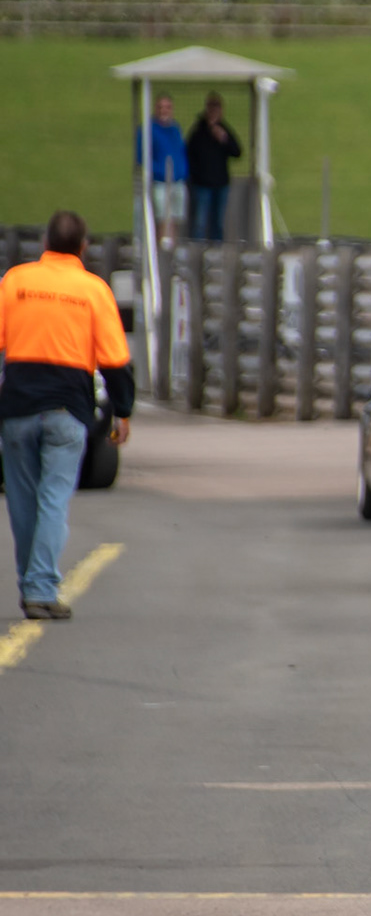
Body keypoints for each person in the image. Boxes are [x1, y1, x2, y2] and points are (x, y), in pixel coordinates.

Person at [0, 211, 134, 619]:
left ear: (44, 243)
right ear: (84, 247)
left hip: (18, 406)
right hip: (67, 408)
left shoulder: (16, 282)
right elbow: (115, 360)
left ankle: (31, 585)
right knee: (53, 499)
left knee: (22, 500)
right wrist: (122, 411)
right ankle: (41, 588)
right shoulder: (93, 290)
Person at [185, 91, 243, 242]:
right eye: (211, 107)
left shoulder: (224, 129)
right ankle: (196, 248)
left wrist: (224, 138)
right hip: (202, 184)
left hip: (221, 183)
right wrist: (195, 175)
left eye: (217, 108)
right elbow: (189, 153)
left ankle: (217, 249)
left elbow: (237, 152)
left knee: (217, 222)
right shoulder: (198, 131)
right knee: (200, 222)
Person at [135, 93, 188, 246]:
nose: (164, 110)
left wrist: (183, 170)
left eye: (167, 107)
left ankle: (172, 248)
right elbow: (142, 156)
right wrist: (157, 171)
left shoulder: (175, 128)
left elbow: (180, 152)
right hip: (160, 182)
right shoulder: (147, 129)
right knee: (162, 217)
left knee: (176, 217)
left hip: (178, 180)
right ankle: (160, 248)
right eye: (161, 107)